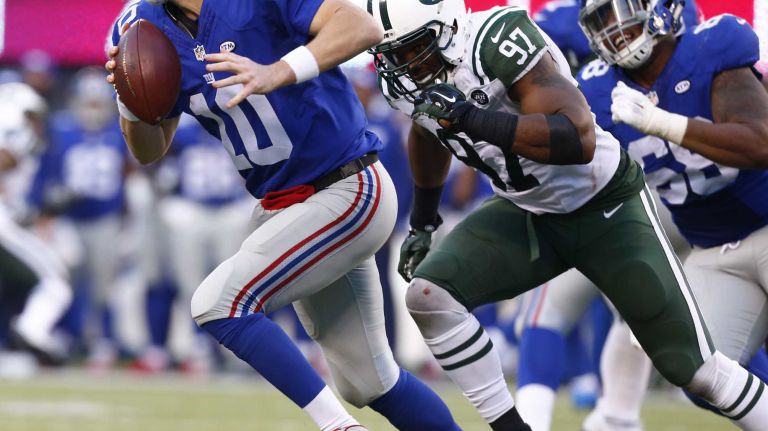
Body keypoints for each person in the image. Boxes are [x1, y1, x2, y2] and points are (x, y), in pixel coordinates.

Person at [364, 0, 768, 429]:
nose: (407, 64)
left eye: (416, 48)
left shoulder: (496, 38)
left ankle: (618, 415)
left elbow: (576, 138)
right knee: (430, 296)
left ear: (444, 27)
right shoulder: (404, 81)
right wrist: (423, 220)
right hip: (527, 208)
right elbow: (429, 132)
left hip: (604, 204)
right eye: (394, 55)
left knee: (694, 368)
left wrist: (470, 117)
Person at [106, 1, 461, 430]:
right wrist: (132, 99)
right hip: (282, 207)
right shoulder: (138, 27)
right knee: (368, 383)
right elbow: (148, 151)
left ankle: (337, 427)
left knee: (220, 303)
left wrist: (277, 70)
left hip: (346, 186)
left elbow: (361, 28)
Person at [576, 0, 768, 427]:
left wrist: (663, 123)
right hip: (713, 250)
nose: (615, 29)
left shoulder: (711, 47)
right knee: (699, 372)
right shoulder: (596, 89)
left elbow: (760, 145)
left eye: (622, 12)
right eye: (603, 21)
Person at [28, 67, 130, 370]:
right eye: (88, 102)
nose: (93, 109)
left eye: (98, 103)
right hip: (67, 221)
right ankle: (61, 338)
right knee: (61, 282)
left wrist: (127, 219)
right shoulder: (61, 130)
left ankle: (102, 341)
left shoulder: (119, 132)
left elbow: (128, 177)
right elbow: (43, 174)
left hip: (105, 220)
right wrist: (42, 212)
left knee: (103, 287)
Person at [0, 82, 72, 365]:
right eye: (31, 116)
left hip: (9, 220)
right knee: (55, 280)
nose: (36, 125)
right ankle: (32, 331)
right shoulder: (15, 130)